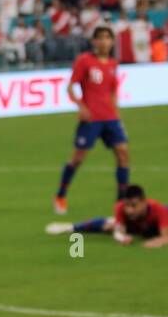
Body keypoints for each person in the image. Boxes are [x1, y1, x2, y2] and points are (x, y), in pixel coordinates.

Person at [53, 25, 129, 215]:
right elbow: (70, 87)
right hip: (91, 119)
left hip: (110, 118)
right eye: (100, 38)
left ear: (112, 42)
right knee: (78, 158)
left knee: (123, 153)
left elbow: (113, 92)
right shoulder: (84, 61)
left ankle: (120, 202)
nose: (104, 41)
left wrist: (117, 115)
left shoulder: (113, 64)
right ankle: (61, 195)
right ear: (94, 41)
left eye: (107, 38)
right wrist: (81, 107)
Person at [46, 181, 168, 249]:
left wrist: (156, 243)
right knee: (109, 224)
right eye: (127, 206)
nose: (129, 210)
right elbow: (118, 230)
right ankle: (71, 227)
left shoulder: (158, 210)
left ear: (143, 202)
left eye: (134, 206)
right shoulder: (121, 207)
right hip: (141, 227)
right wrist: (121, 238)